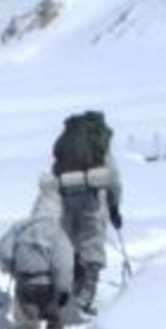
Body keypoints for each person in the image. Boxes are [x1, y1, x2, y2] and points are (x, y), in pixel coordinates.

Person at [0, 176, 76, 329]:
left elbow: (1, 249)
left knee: (28, 326)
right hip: (48, 286)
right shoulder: (57, 232)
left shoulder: (20, 227)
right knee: (56, 318)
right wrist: (64, 290)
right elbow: (64, 264)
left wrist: (13, 267)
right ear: (57, 210)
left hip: (24, 285)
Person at [51, 110, 123, 317]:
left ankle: (67, 291)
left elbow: (56, 170)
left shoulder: (66, 142)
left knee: (69, 245)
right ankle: (86, 294)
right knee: (91, 243)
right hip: (91, 196)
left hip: (66, 196)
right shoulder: (98, 143)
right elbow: (113, 177)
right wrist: (114, 205)